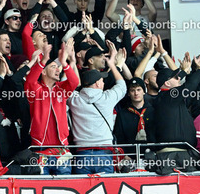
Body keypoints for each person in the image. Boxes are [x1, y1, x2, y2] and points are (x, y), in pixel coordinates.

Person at [68, 42, 127, 174]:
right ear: (97, 84)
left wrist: (71, 63)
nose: (103, 82)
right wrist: (112, 65)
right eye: (101, 80)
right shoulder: (107, 98)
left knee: (83, 187)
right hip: (104, 153)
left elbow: (65, 87)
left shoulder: (75, 100)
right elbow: (122, 86)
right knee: (105, 185)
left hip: (82, 153)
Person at [24, 42, 79, 175]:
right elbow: (30, 81)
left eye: (58, 68)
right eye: (53, 67)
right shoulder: (36, 90)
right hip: (40, 150)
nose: (57, 70)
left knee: (64, 185)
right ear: (43, 71)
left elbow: (75, 82)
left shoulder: (61, 89)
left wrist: (64, 63)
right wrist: (43, 60)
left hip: (61, 150)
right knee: (42, 186)